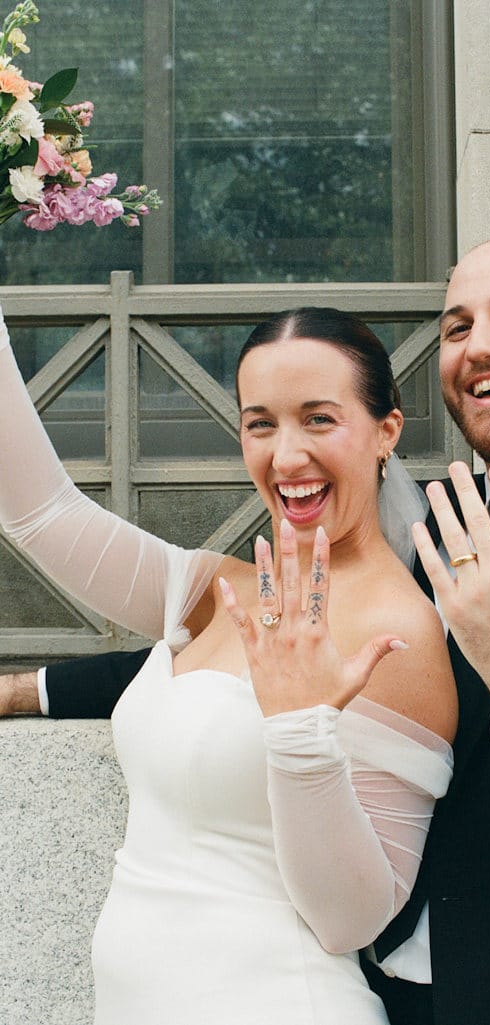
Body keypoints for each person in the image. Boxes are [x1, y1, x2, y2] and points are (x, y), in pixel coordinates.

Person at [3, 238, 490, 1025]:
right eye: (457, 326)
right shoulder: (412, 530)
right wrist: (33, 686)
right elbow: (255, 655)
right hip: (384, 997)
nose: (481, 343)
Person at [0, 305, 459, 1025]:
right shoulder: (219, 589)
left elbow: (354, 920)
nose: (285, 456)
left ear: (386, 432)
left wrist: (301, 732)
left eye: (318, 419)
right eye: (261, 423)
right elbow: (39, 513)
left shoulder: (397, 630)